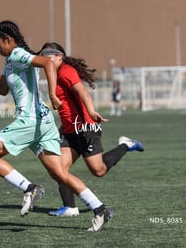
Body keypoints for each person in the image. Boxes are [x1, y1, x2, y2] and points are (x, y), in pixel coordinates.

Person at [0, 20, 114, 231]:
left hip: (29, 121)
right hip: (43, 122)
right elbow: (2, 88)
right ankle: (100, 209)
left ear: (8, 40)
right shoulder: (10, 61)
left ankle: (29, 188)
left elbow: (48, 63)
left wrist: (51, 93)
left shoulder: (17, 54)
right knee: (60, 174)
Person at [39, 42, 144, 217]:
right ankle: (70, 207)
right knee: (58, 169)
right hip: (68, 130)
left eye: (48, 57)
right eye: (43, 58)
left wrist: (91, 111)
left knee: (98, 170)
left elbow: (82, 91)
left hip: (84, 127)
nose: (45, 61)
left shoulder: (65, 70)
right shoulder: (53, 74)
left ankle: (126, 144)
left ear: (59, 57)